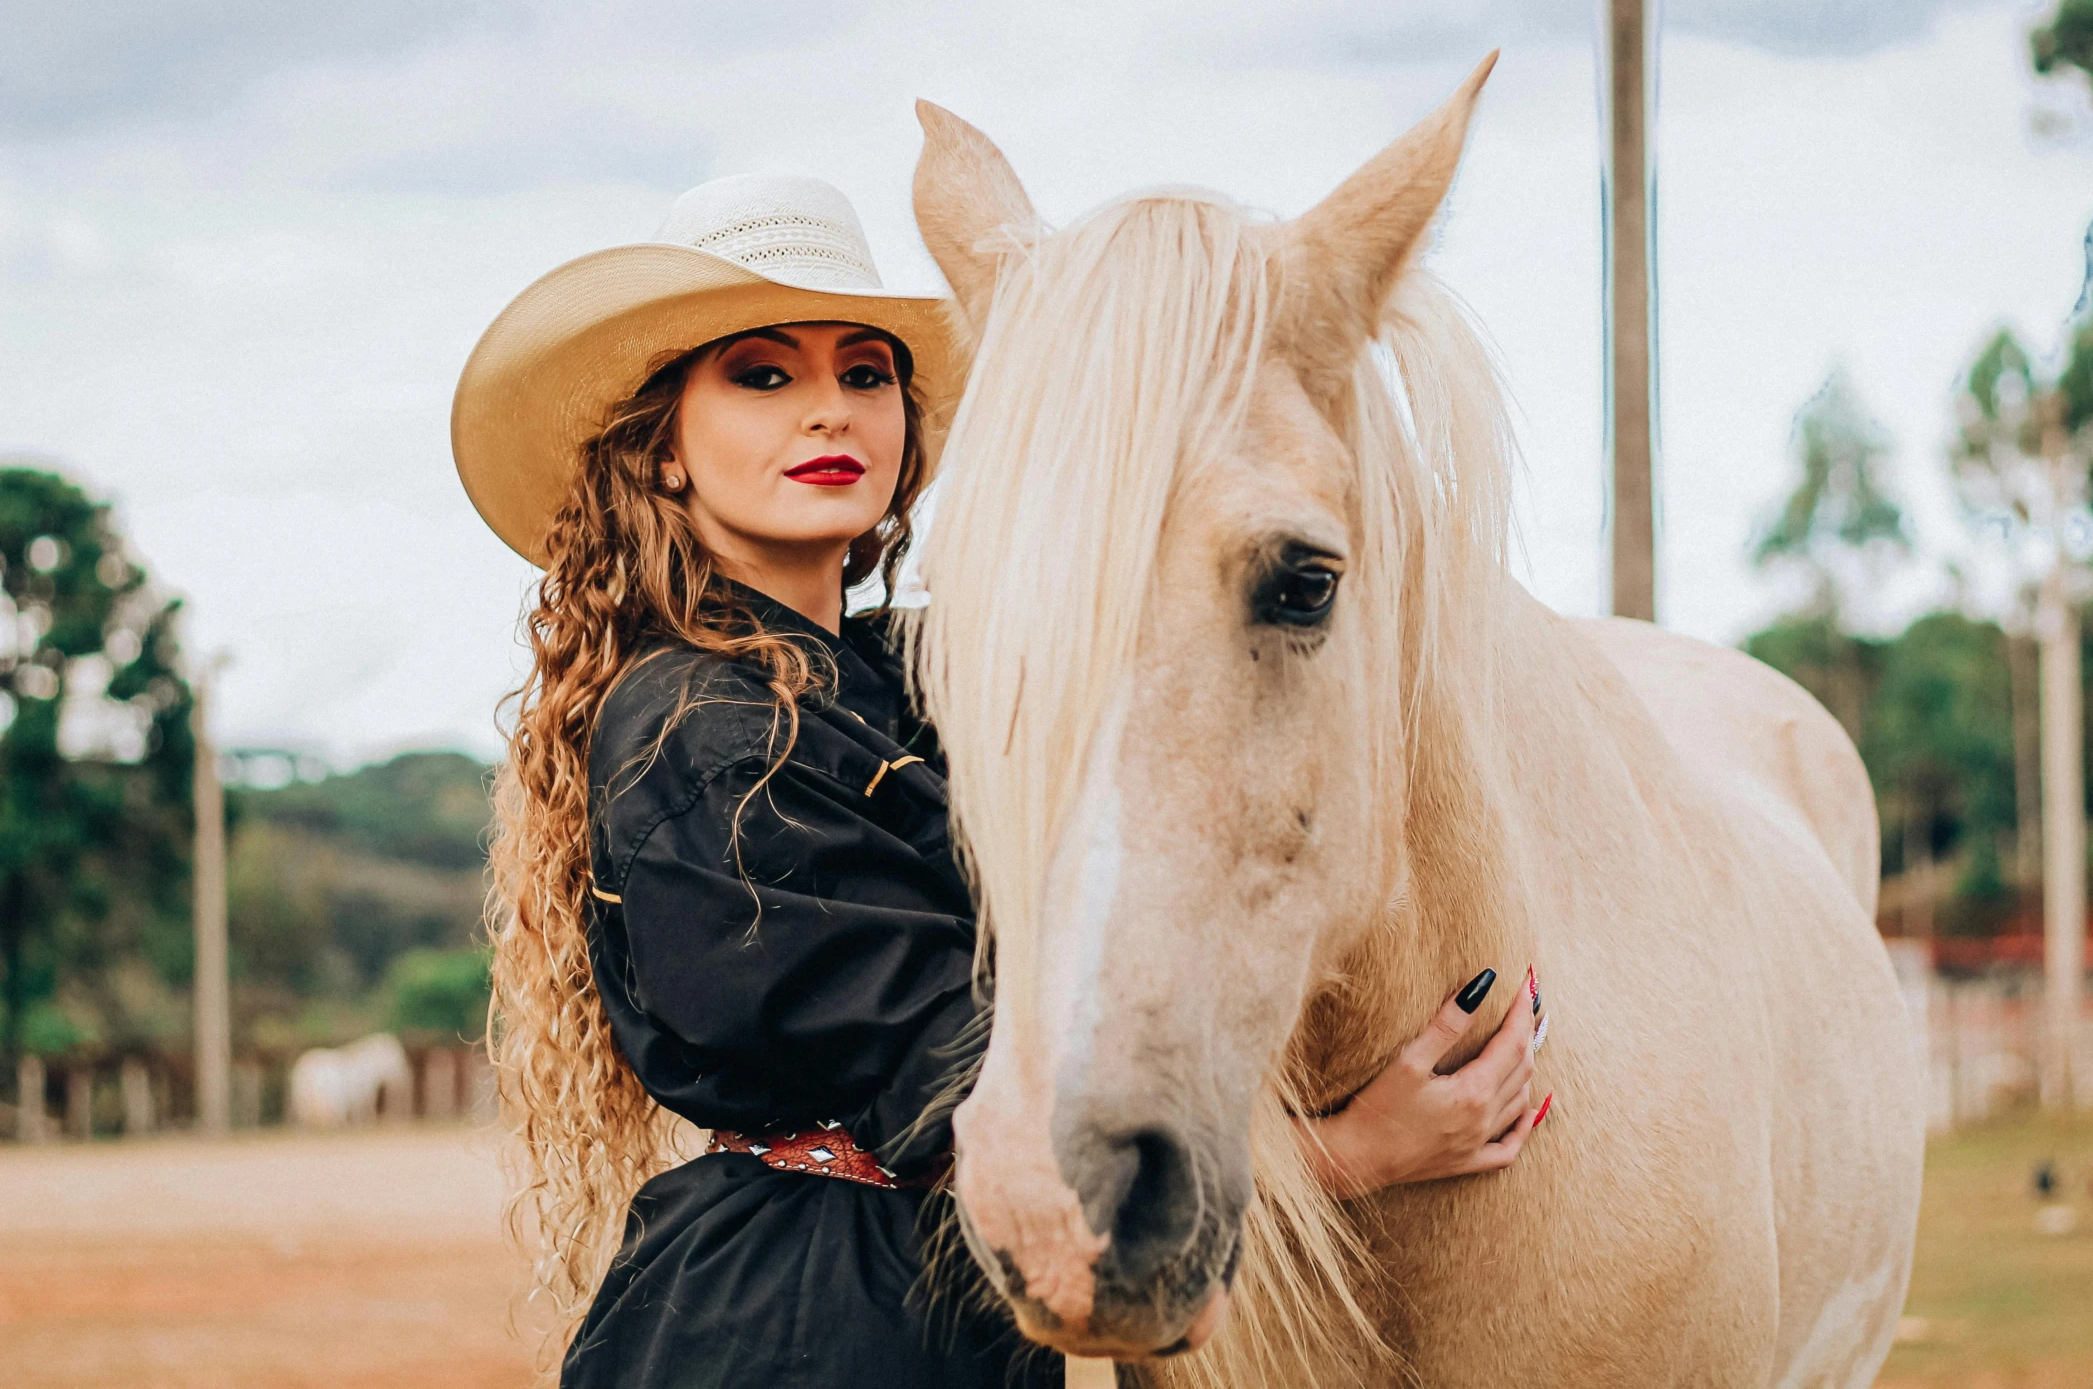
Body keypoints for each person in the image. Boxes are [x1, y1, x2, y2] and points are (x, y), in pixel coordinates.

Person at [451, 169, 1547, 1388]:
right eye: (763, 375)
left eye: (864, 373)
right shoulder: (693, 734)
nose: (829, 411)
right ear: (660, 450)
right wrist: (1347, 1153)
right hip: (787, 1333)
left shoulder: (897, 675)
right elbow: (951, 1073)